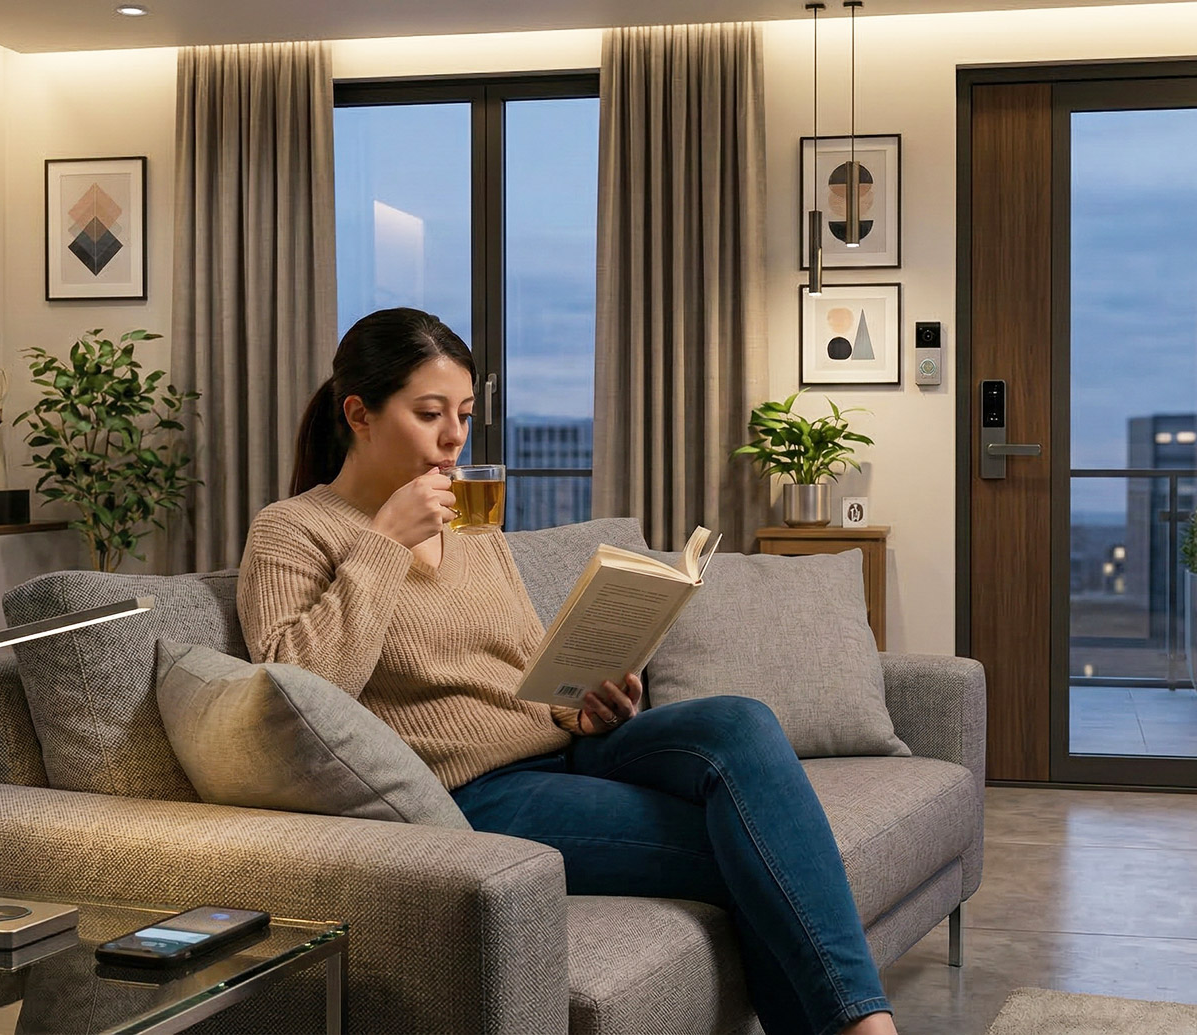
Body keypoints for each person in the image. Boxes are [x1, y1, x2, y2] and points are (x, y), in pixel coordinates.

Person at [237, 308, 898, 1035]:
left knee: (740, 721)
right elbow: (293, 698)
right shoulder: (292, 530)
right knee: (752, 845)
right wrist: (384, 543)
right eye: (430, 415)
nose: (455, 437)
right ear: (358, 413)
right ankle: (864, 1028)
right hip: (474, 794)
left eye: (463, 413)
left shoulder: (469, 523)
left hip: (570, 746)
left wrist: (582, 703)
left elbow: (525, 663)